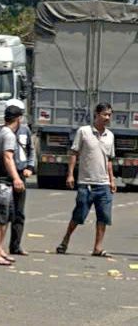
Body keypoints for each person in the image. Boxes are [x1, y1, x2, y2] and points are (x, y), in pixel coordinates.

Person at [56, 102, 116, 257]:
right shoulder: (84, 132)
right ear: (96, 114)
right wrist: (70, 174)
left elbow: (109, 159)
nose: (107, 118)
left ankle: (97, 248)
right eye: (105, 114)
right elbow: (74, 153)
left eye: (109, 115)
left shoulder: (110, 136)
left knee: (103, 217)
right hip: (86, 183)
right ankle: (65, 240)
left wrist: (112, 180)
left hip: (103, 184)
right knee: (79, 215)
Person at [0, 103, 26, 266]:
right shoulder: (8, 135)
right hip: (1, 181)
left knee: (7, 215)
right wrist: (16, 178)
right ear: (18, 119)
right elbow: (8, 157)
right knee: (0, 217)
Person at [8, 98, 35, 256]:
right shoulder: (1, 131)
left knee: (19, 212)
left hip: (20, 173)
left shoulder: (25, 130)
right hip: (5, 175)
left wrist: (30, 167)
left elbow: (31, 150)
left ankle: (15, 245)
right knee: (3, 211)